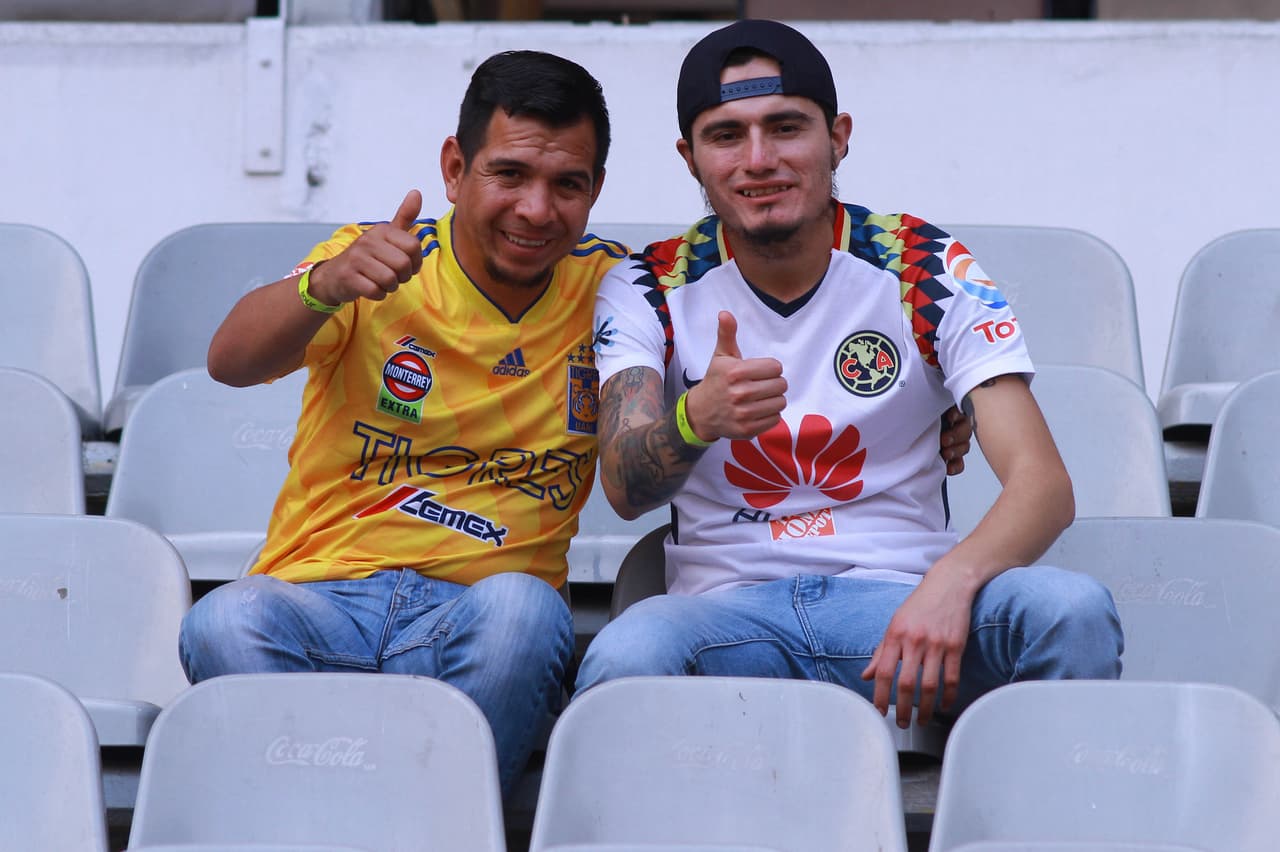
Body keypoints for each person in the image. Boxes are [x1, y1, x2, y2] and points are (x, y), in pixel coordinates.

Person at [576, 19, 1123, 727]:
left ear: (838, 137)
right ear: (691, 158)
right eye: (726, 135)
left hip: (906, 602)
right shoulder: (648, 282)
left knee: (1070, 609)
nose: (758, 159)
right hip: (725, 614)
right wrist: (695, 420)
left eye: (786, 128)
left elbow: (1043, 484)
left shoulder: (921, 261)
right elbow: (624, 488)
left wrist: (951, 582)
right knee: (624, 655)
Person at [179, 50, 620, 798]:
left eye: (566, 184)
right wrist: (323, 285)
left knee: (524, 611)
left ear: (594, 189)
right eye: (509, 174)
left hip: (481, 613)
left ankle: (424, 822)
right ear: (455, 168)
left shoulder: (617, 288)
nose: (536, 209)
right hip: (320, 598)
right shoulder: (367, 259)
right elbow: (230, 361)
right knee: (224, 620)